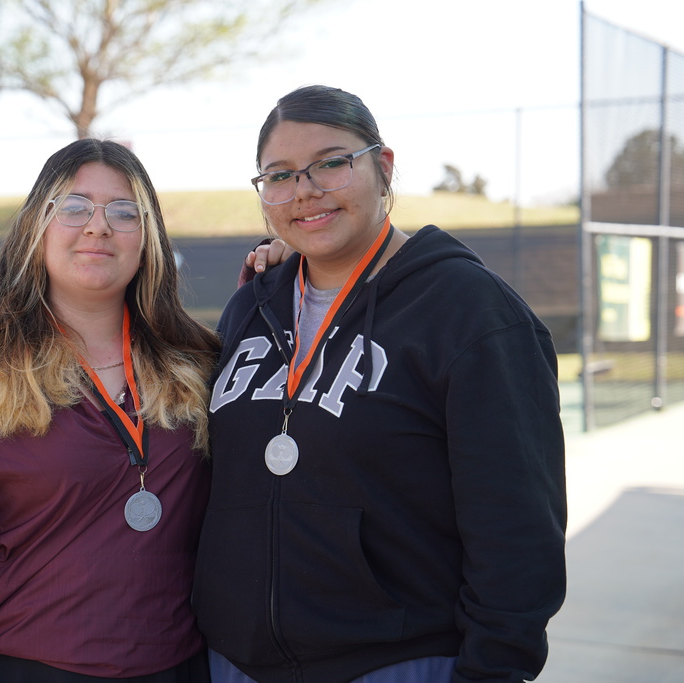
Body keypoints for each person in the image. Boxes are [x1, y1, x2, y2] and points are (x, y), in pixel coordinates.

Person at [192, 85, 567, 683]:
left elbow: (518, 534)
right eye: (280, 175)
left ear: (383, 166)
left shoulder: (469, 311)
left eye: (331, 163)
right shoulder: (252, 305)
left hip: (398, 662)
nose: (305, 190)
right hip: (234, 663)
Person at [0, 138, 222, 683]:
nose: (98, 227)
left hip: (181, 668)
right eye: (75, 207)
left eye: (124, 211)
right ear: (36, 228)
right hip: (28, 668)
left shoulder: (201, 367)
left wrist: (274, 271)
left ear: (148, 239)